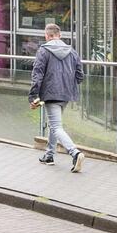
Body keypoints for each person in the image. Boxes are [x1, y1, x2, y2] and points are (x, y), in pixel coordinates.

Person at [28, 23, 86, 173]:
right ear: (59, 35)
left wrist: (33, 95)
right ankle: (49, 155)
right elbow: (80, 75)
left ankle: (75, 153)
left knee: (56, 126)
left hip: (51, 93)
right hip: (66, 93)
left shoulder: (44, 50)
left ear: (47, 36)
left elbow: (37, 74)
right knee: (54, 124)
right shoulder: (72, 51)